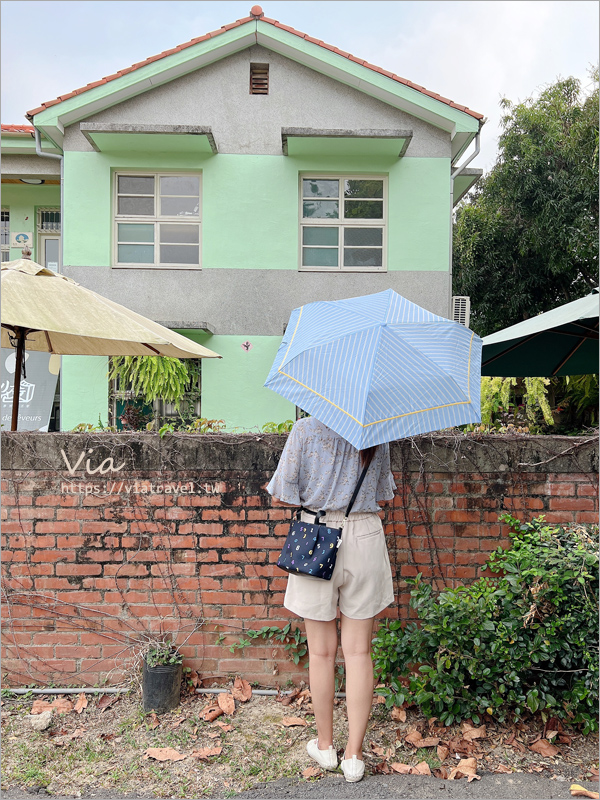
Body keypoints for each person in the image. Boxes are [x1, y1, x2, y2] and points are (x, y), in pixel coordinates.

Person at [267, 415, 396, 783]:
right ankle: (353, 756)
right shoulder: (378, 427)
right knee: (359, 652)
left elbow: (282, 493)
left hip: (316, 536)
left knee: (321, 653)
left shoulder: (306, 429)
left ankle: (325, 747)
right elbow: (383, 492)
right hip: (365, 536)